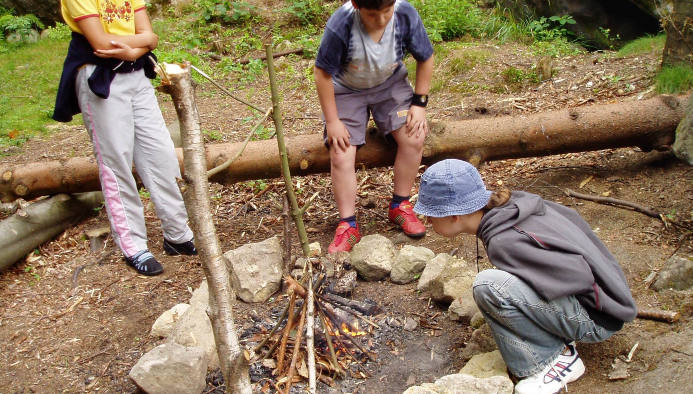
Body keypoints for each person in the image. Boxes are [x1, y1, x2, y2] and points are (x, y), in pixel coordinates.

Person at [413, 159, 638, 394]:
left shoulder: (505, 240)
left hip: (598, 318)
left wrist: (530, 285)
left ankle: (553, 361)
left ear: (454, 215)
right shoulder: (515, 204)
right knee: (502, 285)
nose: (427, 221)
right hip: (611, 297)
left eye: (431, 214)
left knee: (488, 286)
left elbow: (577, 275)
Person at [53, 0, 197, 276]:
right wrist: (140, 44)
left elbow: (151, 35)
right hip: (100, 78)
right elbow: (100, 42)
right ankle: (133, 245)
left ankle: (177, 235)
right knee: (115, 162)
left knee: (161, 154)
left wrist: (133, 51)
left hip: (136, 76)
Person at [314, 0, 434, 253]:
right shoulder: (341, 24)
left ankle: (400, 205)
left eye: (386, 13)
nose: (381, 20)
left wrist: (419, 103)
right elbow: (322, 74)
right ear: (358, 6)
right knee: (340, 151)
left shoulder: (404, 14)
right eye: (372, 14)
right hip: (345, 91)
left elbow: (426, 57)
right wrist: (333, 122)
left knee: (414, 136)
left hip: (390, 85)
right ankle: (348, 224)